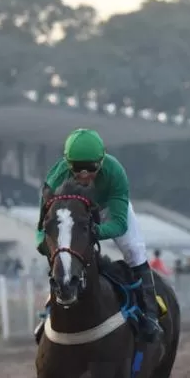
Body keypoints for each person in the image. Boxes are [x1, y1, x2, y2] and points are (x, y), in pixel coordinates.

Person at [33, 128, 163, 343]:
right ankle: (50, 310)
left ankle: (150, 315)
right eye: (77, 168)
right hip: (75, 214)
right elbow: (42, 224)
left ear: (102, 161)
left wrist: (95, 232)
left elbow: (120, 224)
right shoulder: (56, 177)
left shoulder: (115, 173)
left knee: (134, 250)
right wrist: (43, 244)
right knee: (60, 252)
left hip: (107, 209)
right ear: (67, 163)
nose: (84, 175)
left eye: (91, 168)